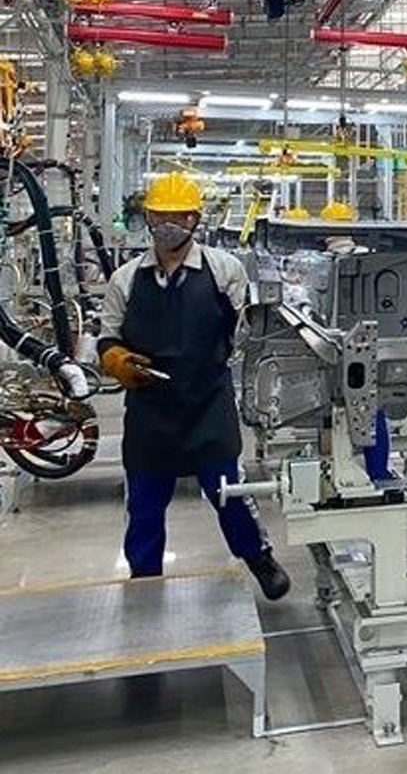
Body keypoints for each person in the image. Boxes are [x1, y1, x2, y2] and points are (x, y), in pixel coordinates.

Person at [98, 172, 290, 599]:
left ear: (195, 220)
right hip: (150, 408)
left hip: (208, 402)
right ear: (147, 218)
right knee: (144, 505)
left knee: (230, 493)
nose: (169, 225)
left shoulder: (225, 271)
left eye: (179, 217)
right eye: (160, 216)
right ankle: (144, 579)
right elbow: (107, 336)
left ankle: (258, 557)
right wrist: (115, 359)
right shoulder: (125, 280)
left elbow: (248, 332)